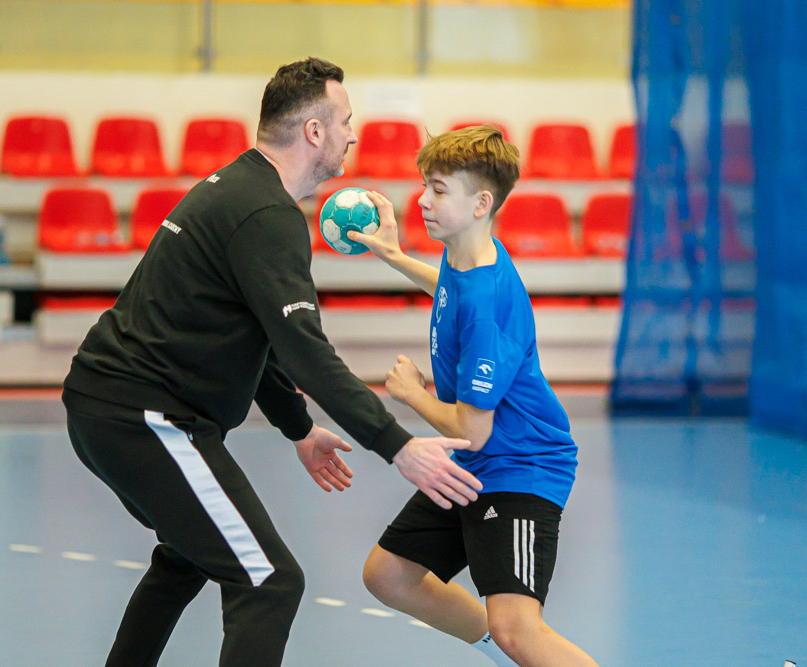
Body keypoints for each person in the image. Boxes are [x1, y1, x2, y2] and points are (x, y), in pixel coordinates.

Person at [62, 57, 483, 666]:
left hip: (112, 407)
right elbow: (305, 353)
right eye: (345, 122)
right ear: (313, 131)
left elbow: (254, 335)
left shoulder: (239, 187)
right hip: (144, 417)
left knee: (187, 557)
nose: (352, 135)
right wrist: (399, 446)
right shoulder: (267, 214)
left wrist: (299, 428)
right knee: (270, 583)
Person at [351, 126, 598, 666]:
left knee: (518, 628)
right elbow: (449, 289)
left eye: (438, 189)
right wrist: (393, 256)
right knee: (389, 574)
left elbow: (471, 430)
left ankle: (517, 648)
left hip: (520, 465)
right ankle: (508, 653)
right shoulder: (467, 254)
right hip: (477, 463)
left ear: (481, 203)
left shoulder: (487, 308)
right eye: (425, 185)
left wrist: (413, 394)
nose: (422, 200)